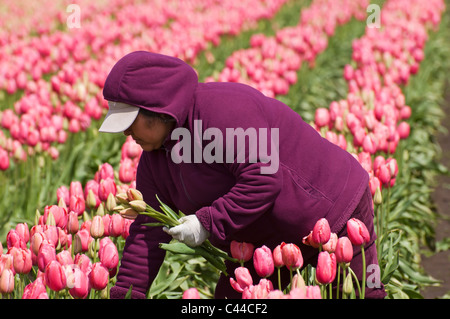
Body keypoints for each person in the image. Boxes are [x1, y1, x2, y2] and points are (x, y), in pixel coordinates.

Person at [99, 51, 386, 299]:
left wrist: (206, 223)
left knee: (363, 293)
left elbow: (263, 178)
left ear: (158, 110)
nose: (126, 133)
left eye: (130, 122)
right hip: (264, 240)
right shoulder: (155, 159)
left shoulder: (222, 112)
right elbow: (148, 229)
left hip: (333, 207)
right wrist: (126, 294)